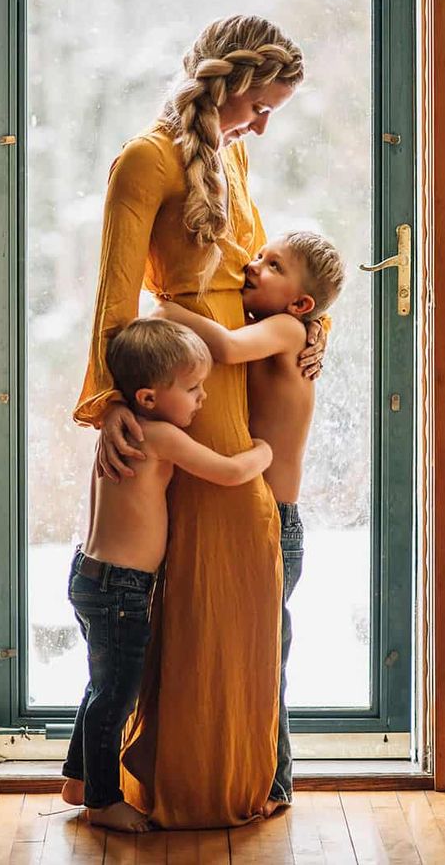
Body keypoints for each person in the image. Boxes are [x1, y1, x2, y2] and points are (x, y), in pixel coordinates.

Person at [73, 15, 325, 828]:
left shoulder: (234, 153)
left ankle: (235, 770)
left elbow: (258, 280)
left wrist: (304, 337)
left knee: (240, 586)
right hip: (185, 380)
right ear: (231, 85)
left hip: (239, 372)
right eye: (262, 105)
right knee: (201, 585)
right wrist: (112, 402)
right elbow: (116, 297)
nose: (264, 123)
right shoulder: (144, 161)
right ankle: (179, 779)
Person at [153, 230, 345, 813]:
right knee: (254, 651)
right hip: (257, 520)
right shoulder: (292, 326)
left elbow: (230, 350)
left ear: (301, 304)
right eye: (260, 256)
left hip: (277, 526)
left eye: (272, 264)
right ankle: (266, 776)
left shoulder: (286, 330)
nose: (253, 267)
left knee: (266, 654)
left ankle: (276, 782)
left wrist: (171, 307)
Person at [61, 318, 272, 832]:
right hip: (122, 589)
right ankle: (104, 802)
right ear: (150, 398)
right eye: (194, 388)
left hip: (93, 577)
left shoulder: (123, 431)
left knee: (101, 685)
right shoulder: (157, 436)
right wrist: (265, 451)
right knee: (116, 694)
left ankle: (79, 779)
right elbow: (227, 472)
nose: (203, 398)